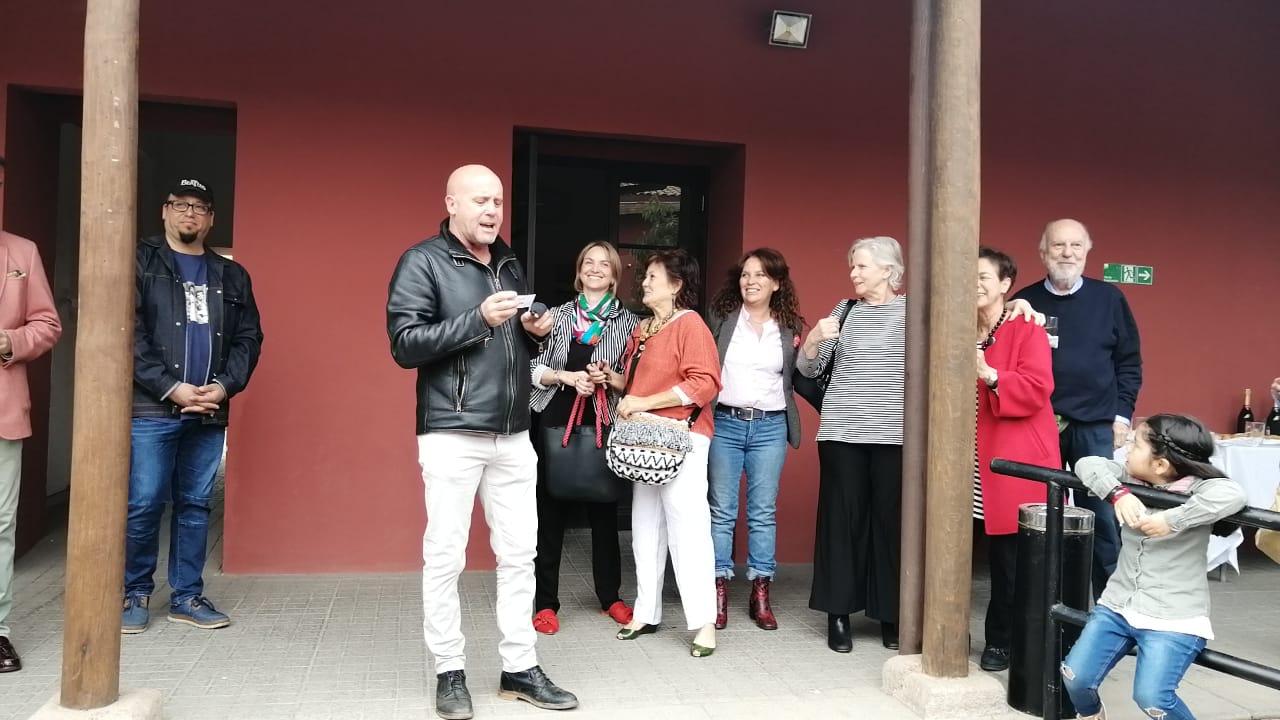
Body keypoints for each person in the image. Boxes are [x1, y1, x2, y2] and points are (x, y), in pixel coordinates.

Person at [387, 164, 577, 719]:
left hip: (514, 434)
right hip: (452, 431)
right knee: (445, 556)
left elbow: (510, 338)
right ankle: (449, 671)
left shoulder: (509, 262)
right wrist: (477, 319)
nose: (492, 210)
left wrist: (531, 330)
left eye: (497, 201)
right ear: (451, 204)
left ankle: (520, 667)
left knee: (520, 555)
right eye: (480, 201)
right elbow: (404, 344)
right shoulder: (422, 261)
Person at [801, 236, 1040, 654]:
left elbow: (971, 314)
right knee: (841, 524)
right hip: (842, 433)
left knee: (894, 525)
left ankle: (892, 614)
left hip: (898, 436)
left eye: (861, 266)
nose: (853, 273)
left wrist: (1020, 303)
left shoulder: (915, 310)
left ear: (888, 270)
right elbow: (809, 369)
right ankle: (838, 614)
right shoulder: (844, 310)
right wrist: (812, 341)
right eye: (852, 266)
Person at [123, 178, 263, 635]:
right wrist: (170, 387)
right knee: (145, 502)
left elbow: (248, 338)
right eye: (180, 205)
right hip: (152, 407)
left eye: (200, 207)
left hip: (209, 410)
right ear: (164, 211)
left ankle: (186, 596)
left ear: (211, 219)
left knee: (195, 505)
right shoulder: (141, 260)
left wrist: (224, 386)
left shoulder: (231, 274)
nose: (190, 213)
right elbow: (127, 331)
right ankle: (134, 592)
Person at [1062, 414, 1246, 720]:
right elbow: (1087, 463)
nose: (1126, 448)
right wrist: (1117, 493)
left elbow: (1233, 494)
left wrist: (1172, 520)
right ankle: (1092, 715)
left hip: (1174, 616)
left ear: (1160, 464)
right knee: (1074, 676)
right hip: (1117, 606)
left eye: (1135, 444)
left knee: (1152, 698)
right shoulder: (1130, 477)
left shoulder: (1199, 489)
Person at [588, 249, 721, 657]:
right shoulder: (644, 328)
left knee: (688, 528)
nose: (643, 282)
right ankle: (646, 612)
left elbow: (705, 383)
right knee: (644, 527)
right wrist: (612, 378)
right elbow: (636, 384)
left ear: (676, 285)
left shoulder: (690, 325)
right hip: (645, 440)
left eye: (652, 276)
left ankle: (704, 622)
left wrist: (644, 402)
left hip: (682, 438)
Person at [1012, 219, 1142, 600]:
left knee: (1103, 519)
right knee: (1036, 514)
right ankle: (1041, 604)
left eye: (1076, 246)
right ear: (1043, 253)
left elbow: (1129, 363)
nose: (1067, 253)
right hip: (1037, 425)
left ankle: (1111, 607)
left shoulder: (1110, 299)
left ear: (1087, 252)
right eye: (1058, 246)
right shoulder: (1024, 302)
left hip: (1095, 426)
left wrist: (1122, 415)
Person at [528, 241, 638, 634]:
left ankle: (610, 597)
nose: (595, 269)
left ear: (614, 274)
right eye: (588, 262)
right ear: (579, 271)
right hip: (556, 414)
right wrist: (566, 376)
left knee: (605, 510)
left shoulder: (629, 322)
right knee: (550, 511)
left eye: (603, 264)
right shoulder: (555, 316)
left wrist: (606, 376)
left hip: (604, 417)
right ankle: (545, 603)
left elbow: (633, 379)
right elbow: (529, 367)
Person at [706, 248, 804, 631]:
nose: (751, 281)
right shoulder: (722, 318)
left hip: (770, 426)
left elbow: (802, 372)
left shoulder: (789, 326)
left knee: (763, 512)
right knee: (721, 511)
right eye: (746, 274)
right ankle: (716, 590)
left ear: (776, 283)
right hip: (726, 423)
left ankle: (760, 592)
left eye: (760, 274)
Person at [972, 246, 1057, 672]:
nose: (974, 284)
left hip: (1010, 460)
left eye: (983, 276)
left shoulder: (1027, 328)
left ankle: (1001, 642)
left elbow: (1038, 388)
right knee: (950, 554)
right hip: (963, 463)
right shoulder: (957, 326)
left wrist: (989, 374)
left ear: (1005, 284)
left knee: (1009, 562)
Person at [0, 155, 63, 673]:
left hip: (3, 409)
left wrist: (10, 342)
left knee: (0, 524)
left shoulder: (21, 252)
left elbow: (48, 323)